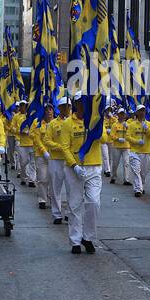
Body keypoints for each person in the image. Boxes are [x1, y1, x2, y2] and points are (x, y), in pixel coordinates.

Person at [61, 93, 102, 254]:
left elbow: (104, 138)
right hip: (74, 169)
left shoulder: (96, 120)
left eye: (85, 102)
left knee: (93, 203)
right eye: (79, 102)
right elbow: (65, 147)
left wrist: (94, 128)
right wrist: (74, 165)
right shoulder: (67, 123)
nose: (83, 105)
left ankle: (88, 237)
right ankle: (75, 240)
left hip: (94, 166)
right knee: (75, 205)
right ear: (75, 104)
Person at [45, 97, 73, 224]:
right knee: (55, 188)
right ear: (59, 108)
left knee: (71, 188)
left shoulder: (75, 122)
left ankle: (68, 212)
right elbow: (47, 140)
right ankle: (57, 214)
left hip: (70, 161)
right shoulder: (52, 124)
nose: (66, 109)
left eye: (68, 107)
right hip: (56, 159)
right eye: (63, 107)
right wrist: (59, 147)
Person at [126, 104, 150, 198]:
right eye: (140, 111)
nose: (142, 113)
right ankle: (137, 189)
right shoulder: (132, 124)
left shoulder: (149, 124)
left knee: (143, 173)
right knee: (136, 171)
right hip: (135, 152)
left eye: (143, 111)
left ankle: (141, 185)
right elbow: (127, 137)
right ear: (136, 112)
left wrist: (147, 129)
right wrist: (137, 141)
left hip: (146, 152)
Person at [109, 108, 130, 185]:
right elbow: (111, 135)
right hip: (117, 146)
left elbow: (131, 134)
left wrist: (127, 128)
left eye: (123, 114)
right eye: (120, 114)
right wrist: (118, 138)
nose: (122, 115)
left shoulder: (128, 124)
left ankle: (126, 179)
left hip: (126, 146)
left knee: (126, 163)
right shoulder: (115, 125)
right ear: (118, 115)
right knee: (115, 163)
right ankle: (113, 177)